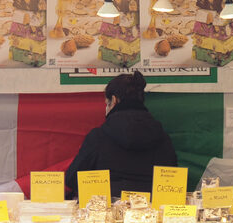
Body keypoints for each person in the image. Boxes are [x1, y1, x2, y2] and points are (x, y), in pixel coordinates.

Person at [64, 70, 177, 198]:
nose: (106, 109)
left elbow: (73, 179)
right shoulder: (162, 138)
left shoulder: (98, 137)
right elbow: (173, 180)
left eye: (107, 104)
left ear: (114, 100)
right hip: (152, 213)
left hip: (103, 212)